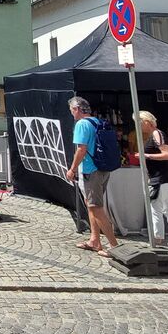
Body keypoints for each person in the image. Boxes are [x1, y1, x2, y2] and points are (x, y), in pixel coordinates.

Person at [65, 96, 119, 257]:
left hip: (90, 169)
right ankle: (94, 240)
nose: (72, 114)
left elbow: (81, 149)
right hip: (103, 168)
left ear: (76, 109)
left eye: (72, 111)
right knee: (92, 205)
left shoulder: (81, 124)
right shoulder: (97, 122)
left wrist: (72, 169)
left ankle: (113, 246)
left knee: (96, 207)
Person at [139, 111, 168, 248]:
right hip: (163, 177)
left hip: (160, 178)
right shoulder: (157, 134)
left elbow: (166, 155)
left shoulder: (156, 134)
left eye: (140, 123)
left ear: (146, 122)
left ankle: (157, 239)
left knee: (156, 208)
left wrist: (145, 155)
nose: (139, 126)